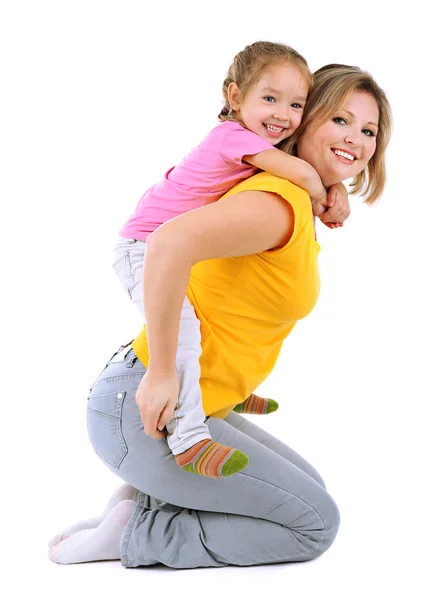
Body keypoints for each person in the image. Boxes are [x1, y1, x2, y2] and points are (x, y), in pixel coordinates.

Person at [48, 63, 391, 568]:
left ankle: (141, 502)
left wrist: (325, 187)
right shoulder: (278, 203)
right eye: (340, 120)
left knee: (308, 494)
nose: (355, 140)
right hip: (150, 412)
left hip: (179, 403)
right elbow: (166, 243)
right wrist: (163, 372)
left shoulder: (290, 196)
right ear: (307, 119)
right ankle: (140, 534)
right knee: (313, 524)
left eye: (368, 131)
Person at [113, 41, 351, 478]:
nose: (283, 113)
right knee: (181, 334)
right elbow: (300, 172)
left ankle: (226, 387)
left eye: (296, 104)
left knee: (212, 313)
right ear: (235, 96)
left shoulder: (256, 142)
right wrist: (330, 198)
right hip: (145, 247)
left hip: (161, 241)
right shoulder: (233, 137)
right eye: (269, 98)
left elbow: (296, 166)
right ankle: (189, 439)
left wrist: (334, 187)